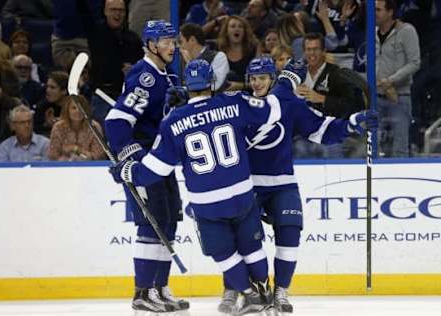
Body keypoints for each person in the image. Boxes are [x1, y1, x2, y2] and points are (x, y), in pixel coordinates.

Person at [110, 59, 283, 315]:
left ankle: (248, 294)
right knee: (253, 247)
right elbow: (274, 111)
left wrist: (126, 171)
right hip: (242, 194)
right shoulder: (233, 102)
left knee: (223, 252)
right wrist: (287, 84)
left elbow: (154, 171)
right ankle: (263, 294)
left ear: (186, 86)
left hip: (208, 203)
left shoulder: (173, 122)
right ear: (212, 82)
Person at [219, 55, 375, 314]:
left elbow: (321, 129)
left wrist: (351, 124)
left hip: (282, 183)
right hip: (246, 185)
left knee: (290, 235)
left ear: (273, 79)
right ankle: (235, 288)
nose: (257, 83)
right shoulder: (239, 105)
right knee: (243, 240)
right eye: (253, 78)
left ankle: (281, 290)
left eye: (262, 78)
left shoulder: (289, 104)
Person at [104, 20, 188, 313]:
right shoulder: (145, 77)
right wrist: (129, 158)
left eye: (173, 41)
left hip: (163, 160)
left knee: (168, 221)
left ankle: (160, 288)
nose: (171, 46)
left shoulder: (166, 75)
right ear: (151, 45)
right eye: (165, 41)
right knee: (151, 223)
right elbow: (116, 122)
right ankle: (142, 292)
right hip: (146, 161)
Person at [78, 0, 143, 126]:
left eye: (121, 10)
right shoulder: (95, 35)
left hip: (128, 97)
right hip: (102, 95)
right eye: (113, 10)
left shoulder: (133, 38)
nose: (117, 14)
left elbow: (143, 65)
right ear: (105, 11)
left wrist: (133, 70)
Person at [376, 0, 420, 157]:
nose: (374, 13)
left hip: (399, 96)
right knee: (372, 144)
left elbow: (414, 63)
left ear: (390, 12)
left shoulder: (406, 31)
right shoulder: (372, 33)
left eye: (378, 10)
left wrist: (391, 81)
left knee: (400, 147)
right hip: (377, 97)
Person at [48, 95, 105, 161]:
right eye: (74, 108)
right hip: (63, 167)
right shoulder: (58, 127)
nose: (78, 111)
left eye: (81, 108)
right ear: (67, 110)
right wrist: (69, 161)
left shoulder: (94, 127)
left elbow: (99, 156)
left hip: (89, 167)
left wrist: (76, 149)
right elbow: (53, 155)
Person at [179, 22, 229, 92]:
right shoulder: (180, 60)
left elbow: (214, 86)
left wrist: (192, 64)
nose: (180, 46)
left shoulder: (219, 57)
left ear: (192, 40)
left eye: (181, 42)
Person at [32, 71, 69, 137]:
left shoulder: (75, 109)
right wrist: (46, 125)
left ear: (64, 91)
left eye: (52, 88)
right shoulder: (42, 107)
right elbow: (35, 130)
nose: (47, 90)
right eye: (47, 87)